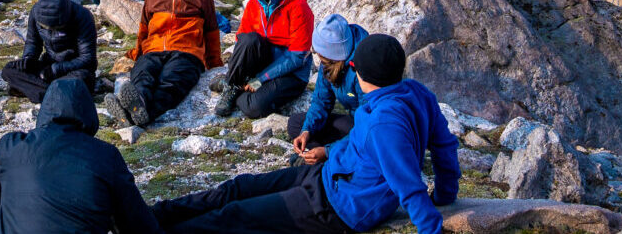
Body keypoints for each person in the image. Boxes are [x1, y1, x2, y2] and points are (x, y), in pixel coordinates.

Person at [151, 34, 458, 234]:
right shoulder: (415, 93)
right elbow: (444, 146)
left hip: (336, 209)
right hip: (328, 177)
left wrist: (432, 224)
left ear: (361, 74)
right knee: (239, 187)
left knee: (234, 216)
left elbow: (408, 185)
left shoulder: (384, 125)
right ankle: (154, 215)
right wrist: (446, 195)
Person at [0, 76, 157, 234]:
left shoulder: (17, 147)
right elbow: (138, 225)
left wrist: (1, 152)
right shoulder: (106, 155)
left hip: (16, 155)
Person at [116, 0, 222, 127]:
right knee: (143, 75)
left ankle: (138, 115)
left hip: (187, 52)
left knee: (172, 82)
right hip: (154, 48)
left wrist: (215, 66)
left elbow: (211, 31)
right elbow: (144, 26)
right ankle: (137, 104)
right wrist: (138, 53)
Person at [220, 0, 312, 120]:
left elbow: (297, 57)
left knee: (255, 107)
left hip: (292, 74)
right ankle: (230, 86)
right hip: (264, 62)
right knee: (248, 40)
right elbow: (242, 43)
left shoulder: (299, 8)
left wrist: (261, 79)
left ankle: (237, 87)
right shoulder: (254, 4)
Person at [3, 0, 98, 103]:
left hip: (74, 69)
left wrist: (56, 69)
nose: (50, 30)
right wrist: (28, 59)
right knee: (8, 70)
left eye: (56, 27)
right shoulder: (35, 12)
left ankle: (33, 90)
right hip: (47, 65)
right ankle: (58, 93)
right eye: (45, 27)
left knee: (82, 80)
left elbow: (87, 58)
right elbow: (33, 42)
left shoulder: (82, 16)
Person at [292, 15, 365, 157]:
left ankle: (334, 156)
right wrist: (307, 131)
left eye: (318, 52)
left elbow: (368, 124)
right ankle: (334, 152)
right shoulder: (329, 62)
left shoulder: (363, 66)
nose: (316, 54)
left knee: (363, 141)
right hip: (354, 122)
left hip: (367, 128)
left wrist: (327, 152)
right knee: (296, 124)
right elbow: (321, 100)